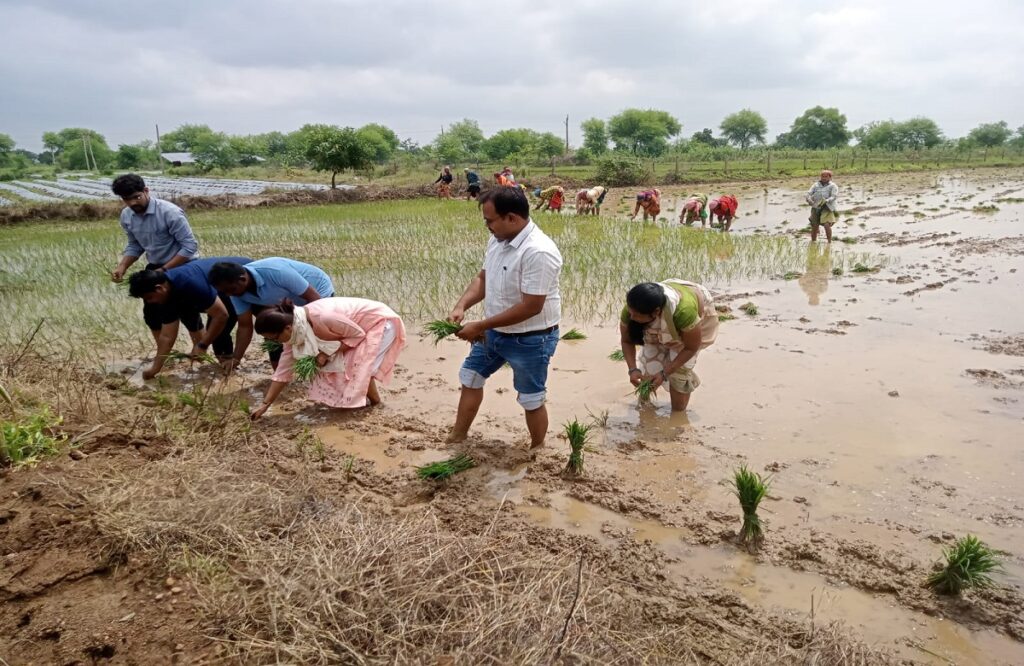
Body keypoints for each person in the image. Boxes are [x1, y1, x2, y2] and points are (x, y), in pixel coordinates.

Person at [447, 187, 563, 448]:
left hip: (531, 339)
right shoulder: (498, 240)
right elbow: (483, 278)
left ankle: (537, 449)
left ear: (511, 218)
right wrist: (461, 305)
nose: (487, 226)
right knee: (470, 377)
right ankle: (458, 435)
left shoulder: (538, 251)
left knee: (531, 398)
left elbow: (531, 306)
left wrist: (481, 325)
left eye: (490, 220)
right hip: (494, 331)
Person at [249, 298, 406, 419]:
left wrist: (326, 354)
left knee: (360, 366)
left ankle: (376, 404)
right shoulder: (296, 333)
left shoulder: (323, 318)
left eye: (275, 338)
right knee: (343, 364)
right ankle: (364, 400)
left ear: (287, 328)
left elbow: (357, 335)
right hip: (355, 330)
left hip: (380, 322)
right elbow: (283, 370)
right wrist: (265, 404)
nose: (276, 342)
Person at [127, 256, 251, 379]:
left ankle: (230, 371)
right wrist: (155, 369)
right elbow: (167, 336)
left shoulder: (189, 283)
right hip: (215, 288)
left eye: (149, 298)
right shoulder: (166, 295)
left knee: (219, 336)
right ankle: (227, 370)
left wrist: (202, 345)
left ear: (159, 288)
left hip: (238, 279)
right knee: (212, 330)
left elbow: (221, 315)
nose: (149, 302)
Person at [110, 173, 201, 338]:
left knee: (189, 314)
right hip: (155, 267)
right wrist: (122, 266)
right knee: (152, 315)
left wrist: (164, 270)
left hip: (183, 265)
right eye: (127, 199)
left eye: (136, 197)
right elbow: (135, 245)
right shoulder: (126, 216)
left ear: (146, 191)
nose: (132, 203)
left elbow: (189, 246)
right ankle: (163, 351)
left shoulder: (170, 212)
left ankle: (199, 349)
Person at [208, 257, 335, 371]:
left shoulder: (276, 271)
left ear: (243, 279)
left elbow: (315, 299)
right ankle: (281, 374)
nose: (229, 294)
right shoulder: (236, 293)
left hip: (317, 293)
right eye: (224, 292)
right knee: (273, 333)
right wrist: (236, 359)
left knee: (314, 338)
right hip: (284, 302)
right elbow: (245, 326)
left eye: (231, 290)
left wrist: (310, 329)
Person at [617, 280, 719, 412]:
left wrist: (664, 373)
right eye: (631, 313)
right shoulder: (633, 308)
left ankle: (678, 415)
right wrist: (632, 370)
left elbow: (691, 348)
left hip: (693, 313)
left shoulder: (684, 312)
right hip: (664, 311)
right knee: (649, 368)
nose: (631, 317)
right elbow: (627, 341)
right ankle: (645, 410)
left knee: (679, 374)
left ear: (656, 312)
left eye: (636, 315)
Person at [806, 170, 839, 243]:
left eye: (826, 176)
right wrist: (808, 199)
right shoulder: (816, 185)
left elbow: (834, 196)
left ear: (830, 177)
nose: (824, 178)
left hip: (827, 207)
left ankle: (829, 242)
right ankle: (813, 242)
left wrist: (826, 200)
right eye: (822, 176)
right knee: (814, 225)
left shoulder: (833, 186)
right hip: (816, 206)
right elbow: (809, 193)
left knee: (827, 225)